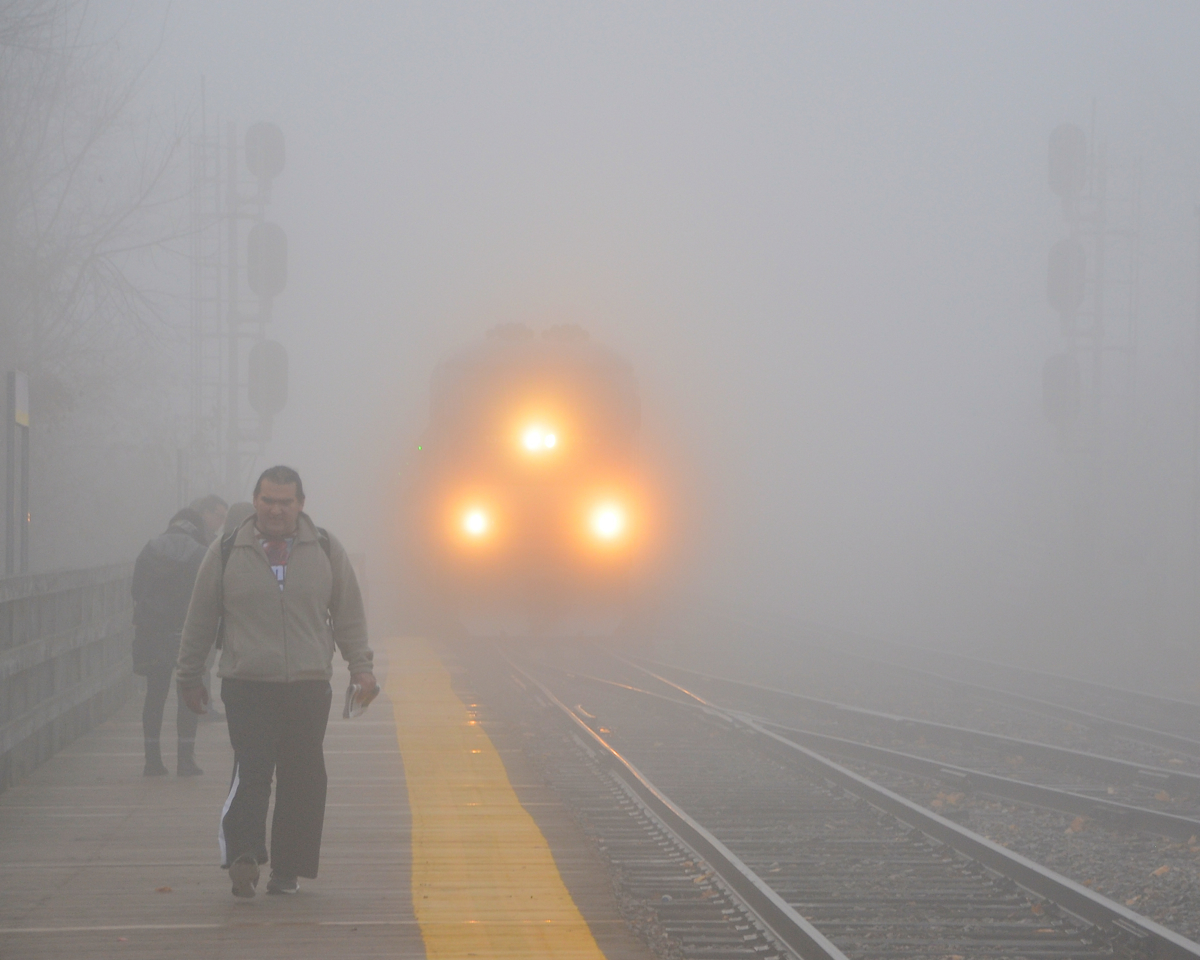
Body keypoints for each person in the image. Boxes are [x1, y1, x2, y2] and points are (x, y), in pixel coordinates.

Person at [176, 466, 376, 898]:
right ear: (255, 500)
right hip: (247, 682)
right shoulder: (227, 549)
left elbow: (348, 612)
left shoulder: (324, 548)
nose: (276, 509)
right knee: (251, 770)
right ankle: (245, 857)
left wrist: (361, 666)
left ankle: (289, 869)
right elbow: (200, 617)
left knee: (303, 776)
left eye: (286, 501)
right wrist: (189, 675)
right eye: (268, 500)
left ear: (301, 504)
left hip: (307, 683)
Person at [131, 508, 211, 776]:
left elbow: (135, 590)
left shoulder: (150, 548)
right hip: (186, 632)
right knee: (187, 693)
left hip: (152, 632)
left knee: (155, 695)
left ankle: (152, 761)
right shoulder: (201, 552)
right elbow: (206, 594)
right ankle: (185, 760)